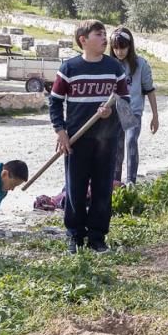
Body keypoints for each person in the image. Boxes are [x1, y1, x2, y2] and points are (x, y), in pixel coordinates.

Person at [50, 19, 129, 254]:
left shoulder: (115, 68)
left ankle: (97, 237)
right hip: (76, 139)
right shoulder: (69, 69)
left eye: (105, 34)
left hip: (106, 140)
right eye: (99, 34)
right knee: (75, 188)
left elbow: (125, 103)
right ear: (83, 40)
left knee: (103, 189)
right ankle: (75, 236)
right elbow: (54, 102)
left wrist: (110, 112)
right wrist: (60, 131)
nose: (105, 38)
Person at [110, 27, 159, 185]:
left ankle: (131, 181)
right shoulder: (109, 64)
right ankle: (116, 182)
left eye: (123, 47)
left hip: (133, 111)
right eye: (115, 48)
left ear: (130, 46)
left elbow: (149, 90)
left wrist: (155, 116)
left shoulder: (141, 64)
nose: (119, 52)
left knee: (131, 141)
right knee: (117, 146)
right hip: (114, 111)